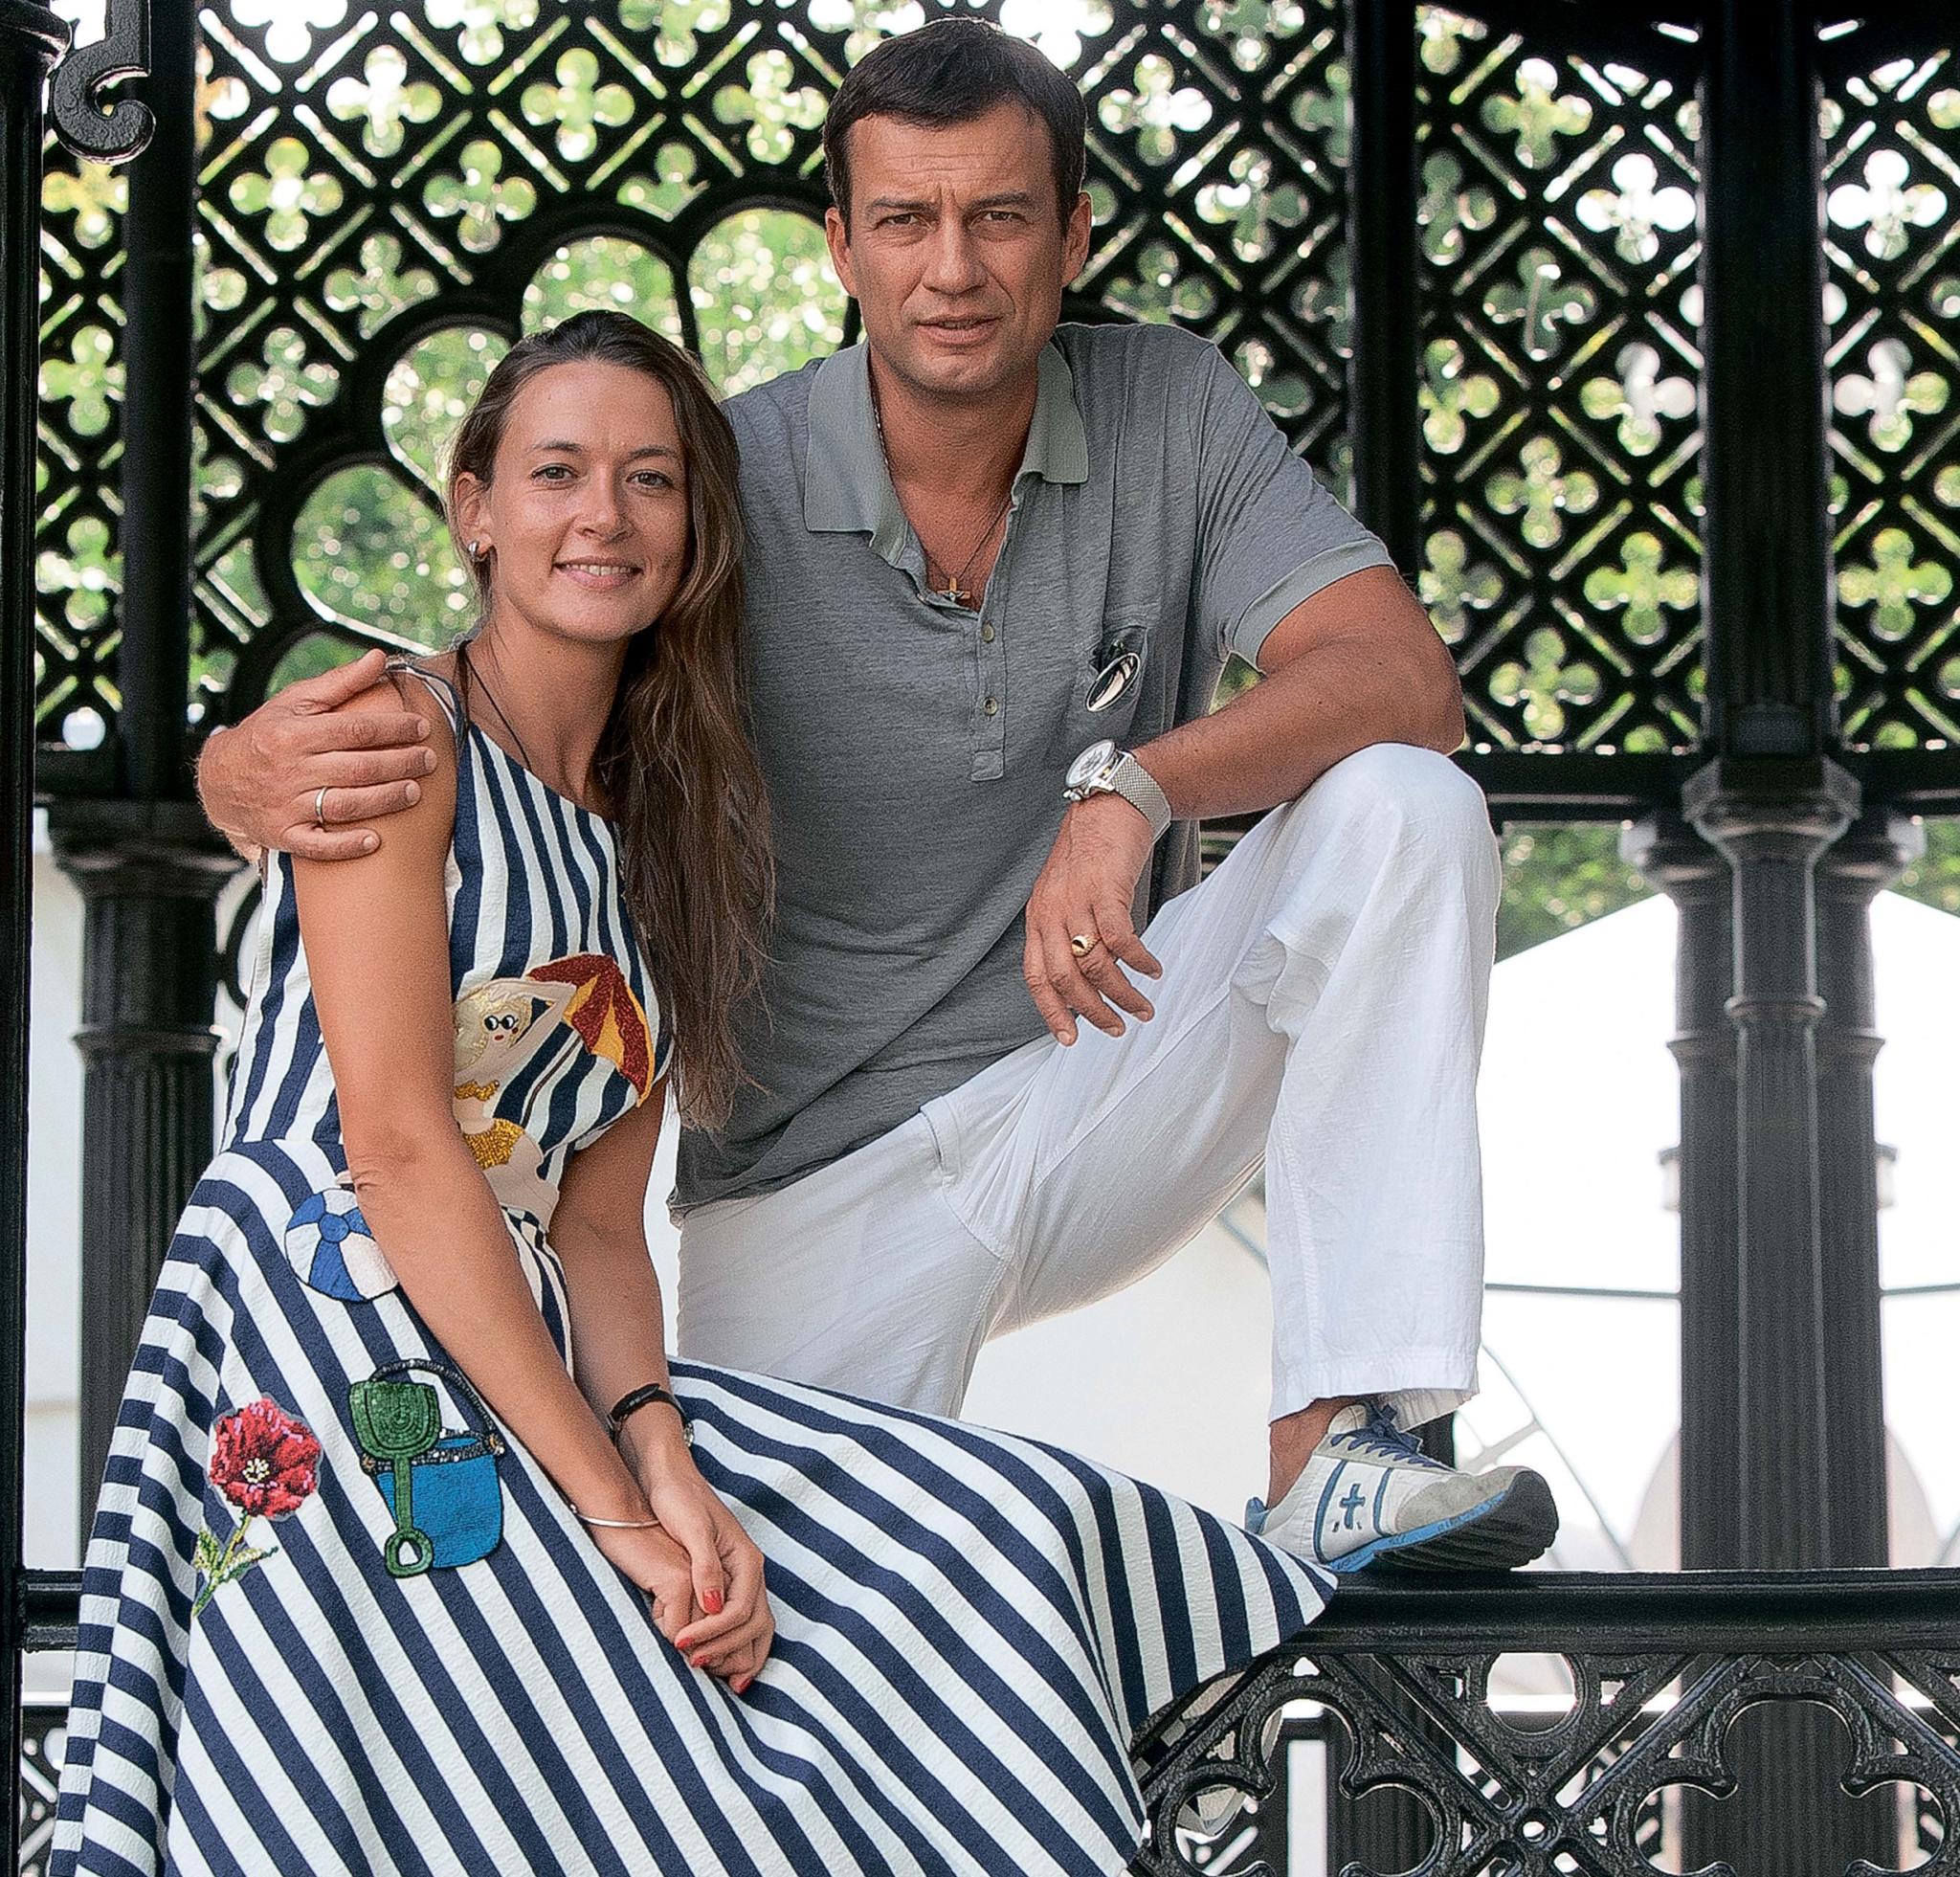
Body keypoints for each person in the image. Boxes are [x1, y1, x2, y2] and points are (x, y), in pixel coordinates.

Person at [198, 21, 1557, 1575]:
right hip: (810, 1174)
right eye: (906, 220)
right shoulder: (720, 478)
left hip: (1096, 1066)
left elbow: (1405, 680)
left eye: (999, 217)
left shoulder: (1172, 408)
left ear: (1073, 236)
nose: (952, 268)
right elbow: (530, 689)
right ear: (843, 248)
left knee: (1406, 807)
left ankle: (1338, 1448)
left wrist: (1136, 783)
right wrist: (233, 775)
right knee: (743, 1633)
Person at [54, 312, 1331, 1877]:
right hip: (326, 1303)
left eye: (650, 479)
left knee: (960, 1534)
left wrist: (667, 1464)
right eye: (556, 473)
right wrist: (615, 1509)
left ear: (695, 526)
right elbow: (390, 1146)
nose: (603, 514)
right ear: (474, 508)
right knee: (630, 1727)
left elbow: (600, 1228)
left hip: (526, 1330)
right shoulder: (398, 737)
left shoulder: (666, 836)